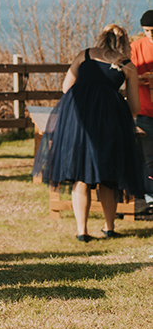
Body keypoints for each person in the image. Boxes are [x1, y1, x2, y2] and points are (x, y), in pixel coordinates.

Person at [34, 24, 145, 240]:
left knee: (81, 174)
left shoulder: (84, 55)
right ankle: (109, 227)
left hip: (78, 120)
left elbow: (66, 87)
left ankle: (81, 231)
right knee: (108, 175)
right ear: (125, 44)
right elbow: (134, 109)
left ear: (101, 38)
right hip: (109, 123)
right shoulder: (128, 66)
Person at [128, 9, 153, 213]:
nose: (151, 34)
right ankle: (150, 197)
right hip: (144, 109)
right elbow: (129, 74)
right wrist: (142, 78)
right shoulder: (136, 47)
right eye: (147, 30)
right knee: (147, 156)